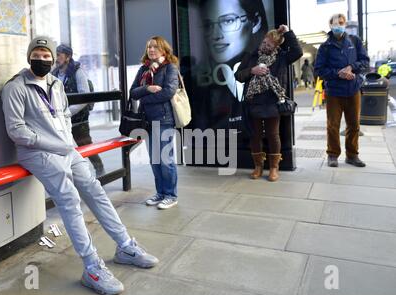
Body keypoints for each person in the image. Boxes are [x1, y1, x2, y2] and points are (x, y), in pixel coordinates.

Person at [1, 36, 158, 295]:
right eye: (36, 55)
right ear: (29, 57)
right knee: (69, 199)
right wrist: (53, 143)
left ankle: (125, 246)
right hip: (38, 152)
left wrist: (67, 143)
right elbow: (16, 131)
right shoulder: (15, 88)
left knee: (94, 189)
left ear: (53, 58)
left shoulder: (55, 83)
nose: (41, 60)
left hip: (66, 149)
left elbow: (63, 114)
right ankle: (91, 266)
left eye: (45, 55)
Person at [235, 25, 303, 182]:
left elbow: (297, 52)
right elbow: (238, 75)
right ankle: (258, 167)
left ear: (276, 47)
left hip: (273, 102)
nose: (265, 46)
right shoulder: (252, 56)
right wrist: (252, 71)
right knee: (255, 135)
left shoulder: (282, 57)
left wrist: (288, 32)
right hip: (254, 102)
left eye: (269, 44)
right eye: (264, 42)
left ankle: (274, 168)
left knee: (273, 135)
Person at [192, 0, 269, 131]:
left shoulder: (264, 64)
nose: (216, 35)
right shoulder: (197, 83)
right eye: (207, 25)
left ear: (255, 22)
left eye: (228, 21)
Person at [130, 36, 179, 210]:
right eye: (149, 47)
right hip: (147, 121)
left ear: (164, 50)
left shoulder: (170, 68)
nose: (151, 50)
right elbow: (133, 92)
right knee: (154, 160)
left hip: (164, 119)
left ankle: (171, 195)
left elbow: (168, 92)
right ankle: (160, 193)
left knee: (166, 160)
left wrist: (145, 99)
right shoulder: (144, 69)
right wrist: (147, 89)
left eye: (155, 47)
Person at [315, 13, 370, 168]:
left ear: (345, 24)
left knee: (354, 125)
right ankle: (332, 155)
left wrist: (351, 67)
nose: (338, 25)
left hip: (353, 89)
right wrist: (338, 73)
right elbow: (319, 70)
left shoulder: (355, 41)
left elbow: (365, 61)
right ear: (330, 25)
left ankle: (352, 155)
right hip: (334, 92)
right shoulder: (325, 47)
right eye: (335, 23)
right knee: (333, 125)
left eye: (341, 22)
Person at [51, 44, 105, 177]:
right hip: (60, 118)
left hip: (78, 118)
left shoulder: (78, 72)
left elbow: (84, 96)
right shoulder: (54, 73)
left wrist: (67, 112)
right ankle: (70, 174)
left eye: (59, 55)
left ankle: (99, 168)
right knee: (64, 147)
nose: (56, 58)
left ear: (68, 57)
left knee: (85, 144)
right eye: (55, 54)